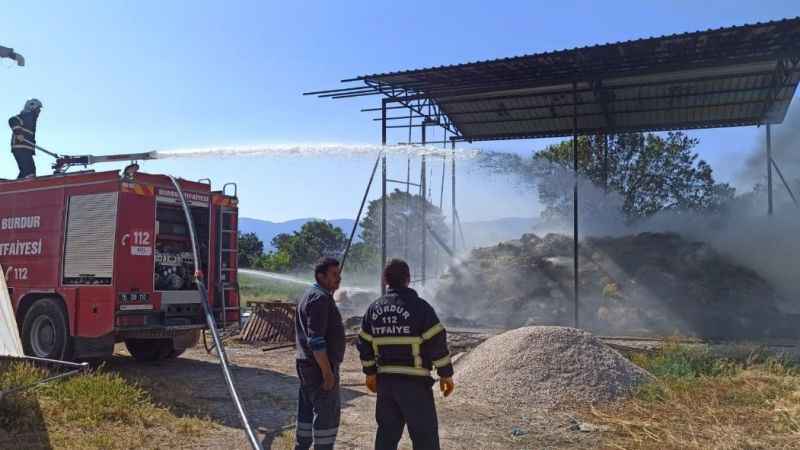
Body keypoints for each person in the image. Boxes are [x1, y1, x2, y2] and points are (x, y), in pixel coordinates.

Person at [357, 259, 455, 450]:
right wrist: (446, 374)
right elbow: (437, 342)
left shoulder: (373, 309)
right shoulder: (421, 308)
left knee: (386, 437)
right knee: (425, 438)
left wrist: (370, 373)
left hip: (386, 385)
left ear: (385, 280)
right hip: (415, 385)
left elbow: (363, 343)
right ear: (408, 279)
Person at [294, 257, 346, 450]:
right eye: (334, 274)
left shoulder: (310, 295)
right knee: (326, 416)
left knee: (306, 413)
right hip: (318, 368)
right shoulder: (320, 299)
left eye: (339, 274)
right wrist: (327, 373)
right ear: (321, 276)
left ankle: (301, 446)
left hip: (306, 365)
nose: (338, 278)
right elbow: (316, 341)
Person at [8, 99, 42, 179]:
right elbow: (12, 120)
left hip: (27, 148)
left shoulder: (32, 120)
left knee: (28, 171)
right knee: (29, 171)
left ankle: (17, 185)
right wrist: (18, 133)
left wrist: (33, 143)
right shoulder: (25, 117)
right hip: (20, 147)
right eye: (38, 109)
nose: (39, 111)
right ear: (32, 108)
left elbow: (29, 135)